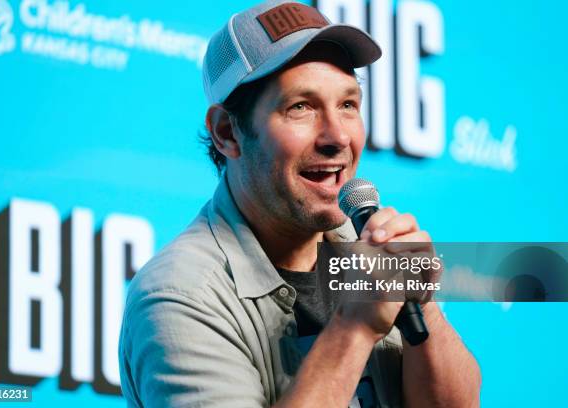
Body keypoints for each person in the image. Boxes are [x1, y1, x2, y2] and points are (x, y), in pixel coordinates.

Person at [118, 1, 481, 407]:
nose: (337, 137)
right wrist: (354, 328)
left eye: (348, 104)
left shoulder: (367, 245)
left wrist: (422, 304)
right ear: (227, 133)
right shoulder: (179, 297)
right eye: (301, 107)